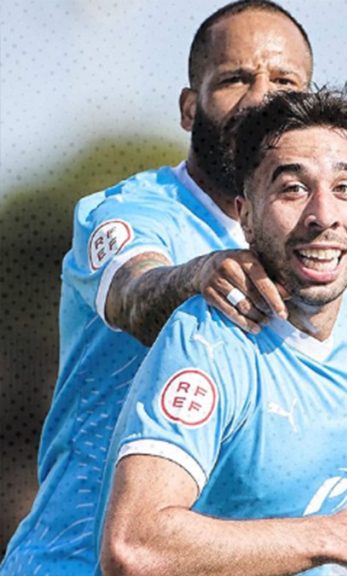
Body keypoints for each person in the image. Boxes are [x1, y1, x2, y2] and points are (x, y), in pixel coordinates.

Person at [1, 3, 315, 573]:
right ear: (189, 107)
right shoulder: (129, 211)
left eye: (285, 81)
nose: (262, 97)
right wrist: (196, 276)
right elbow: (133, 292)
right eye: (235, 78)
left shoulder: (305, 241)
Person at [98, 88, 347, 576]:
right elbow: (134, 547)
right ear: (246, 215)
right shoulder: (209, 341)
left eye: (345, 189)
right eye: (293, 189)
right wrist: (336, 536)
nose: (324, 215)